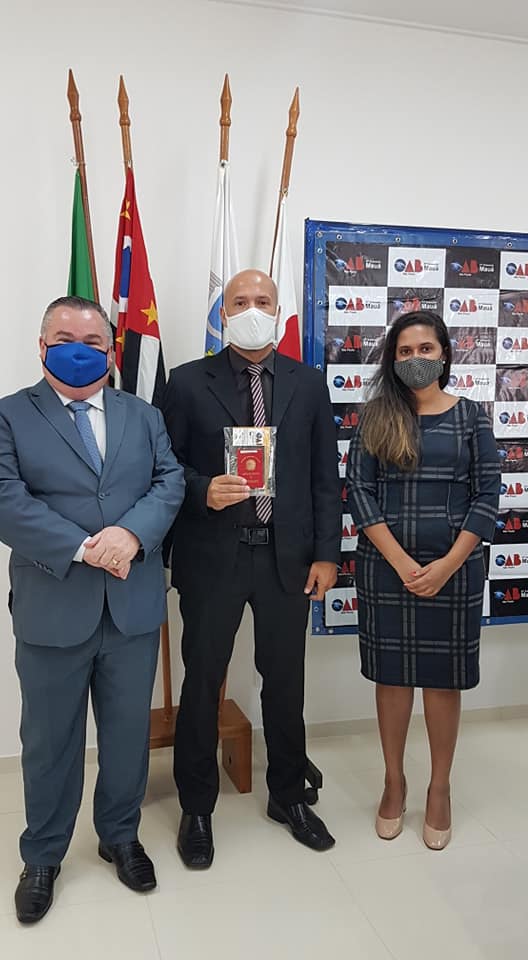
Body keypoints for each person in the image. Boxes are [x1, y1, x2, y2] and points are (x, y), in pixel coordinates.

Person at [0, 296, 185, 923]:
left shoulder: (143, 414)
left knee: (128, 735)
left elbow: (170, 482)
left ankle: (120, 836)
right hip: (53, 607)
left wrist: (131, 534)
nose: (78, 350)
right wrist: (84, 548)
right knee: (49, 741)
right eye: (63, 339)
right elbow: (6, 499)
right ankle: (43, 855)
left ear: (111, 351)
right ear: (42, 347)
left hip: (132, 607)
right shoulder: (10, 415)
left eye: (92, 341)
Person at [162, 269, 341, 868]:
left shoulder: (307, 384)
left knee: (285, 682)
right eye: (240, 301)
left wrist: (326, 554)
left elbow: (324, 477)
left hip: (287, 558)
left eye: (263, 300)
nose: (252, 309)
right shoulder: (187, 381)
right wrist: (201, 489)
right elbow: (165, 466)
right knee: (202, 682)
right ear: (225, 313)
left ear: (278, 308)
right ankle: (196, 807)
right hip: (213, 556)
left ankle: (287, 795)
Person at [346, 310, 500, 850]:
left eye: (426, 349)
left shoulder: (472, 416)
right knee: (392, 679)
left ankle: (439, 787)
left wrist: (448, 564)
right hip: (386, 570)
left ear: (444, 354)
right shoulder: (376, 416)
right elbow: (360, 492)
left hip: (454, 571)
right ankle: (394, 782)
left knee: (441, 680)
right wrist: (401, 562)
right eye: (405, 351)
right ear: (393, 360)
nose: (416, 359)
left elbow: (487, 495)